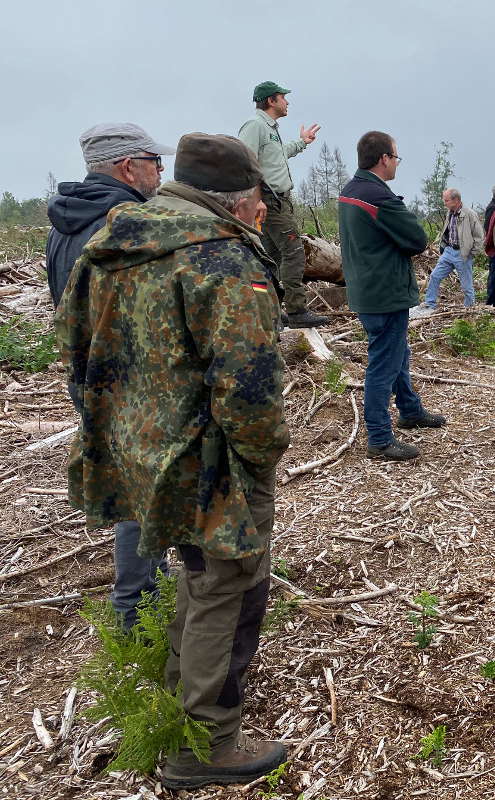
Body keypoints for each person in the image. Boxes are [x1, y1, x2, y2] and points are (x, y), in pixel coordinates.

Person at [56, 133, 290, 788]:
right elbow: (249, 394)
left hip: (133, 450)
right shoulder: (220, 257)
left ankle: (174, 700)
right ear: (242, 201)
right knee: (226, 581)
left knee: (193, 571)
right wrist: (261, 458)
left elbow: (73, 342)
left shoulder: (117, 236)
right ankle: (204, 745)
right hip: (205, 460)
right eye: (258, 203)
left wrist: (118, 423)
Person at [46, 123, 175, 631]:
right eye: (154, 162)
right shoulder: (123, 223)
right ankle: (137, 613)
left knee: (130, 489)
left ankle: (147, 594)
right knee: (140, 493)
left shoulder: (65, 223)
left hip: (88, 378)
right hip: (128, 382)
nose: (161, 171)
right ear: (127, 167)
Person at [338, 131, 445, 461]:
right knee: (383, 364)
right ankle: (380, 438)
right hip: (385, 292)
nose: (397, 162)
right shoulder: (377, 197)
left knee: (397, 354)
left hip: (366, 289)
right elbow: (417, 239)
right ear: (384, 158)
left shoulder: (350, 191)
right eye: (396, 157)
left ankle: (410, 410)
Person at [238, 81, 327, 328]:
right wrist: (256, 200)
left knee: (273, 259)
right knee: (294, 252)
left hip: (277, 202)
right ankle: (297, 311)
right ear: (271, 101)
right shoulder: (255, 126)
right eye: (283, 97)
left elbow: (276, 156)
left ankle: (272, 313)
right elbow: (245, 162)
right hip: (269, 202)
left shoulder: (270, 129)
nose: (287, 102)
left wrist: (302, 142)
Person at [411, 189, 484, 316]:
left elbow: (479, 236)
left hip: (463, 254)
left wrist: (471, 254)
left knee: (466, 285)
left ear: (456, 200)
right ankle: (430, 305)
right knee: (435, 276)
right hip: (449, 251)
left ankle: (470, 310)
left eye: (446, 200)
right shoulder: (450, 213)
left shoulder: (469, 214)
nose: (445, 203)